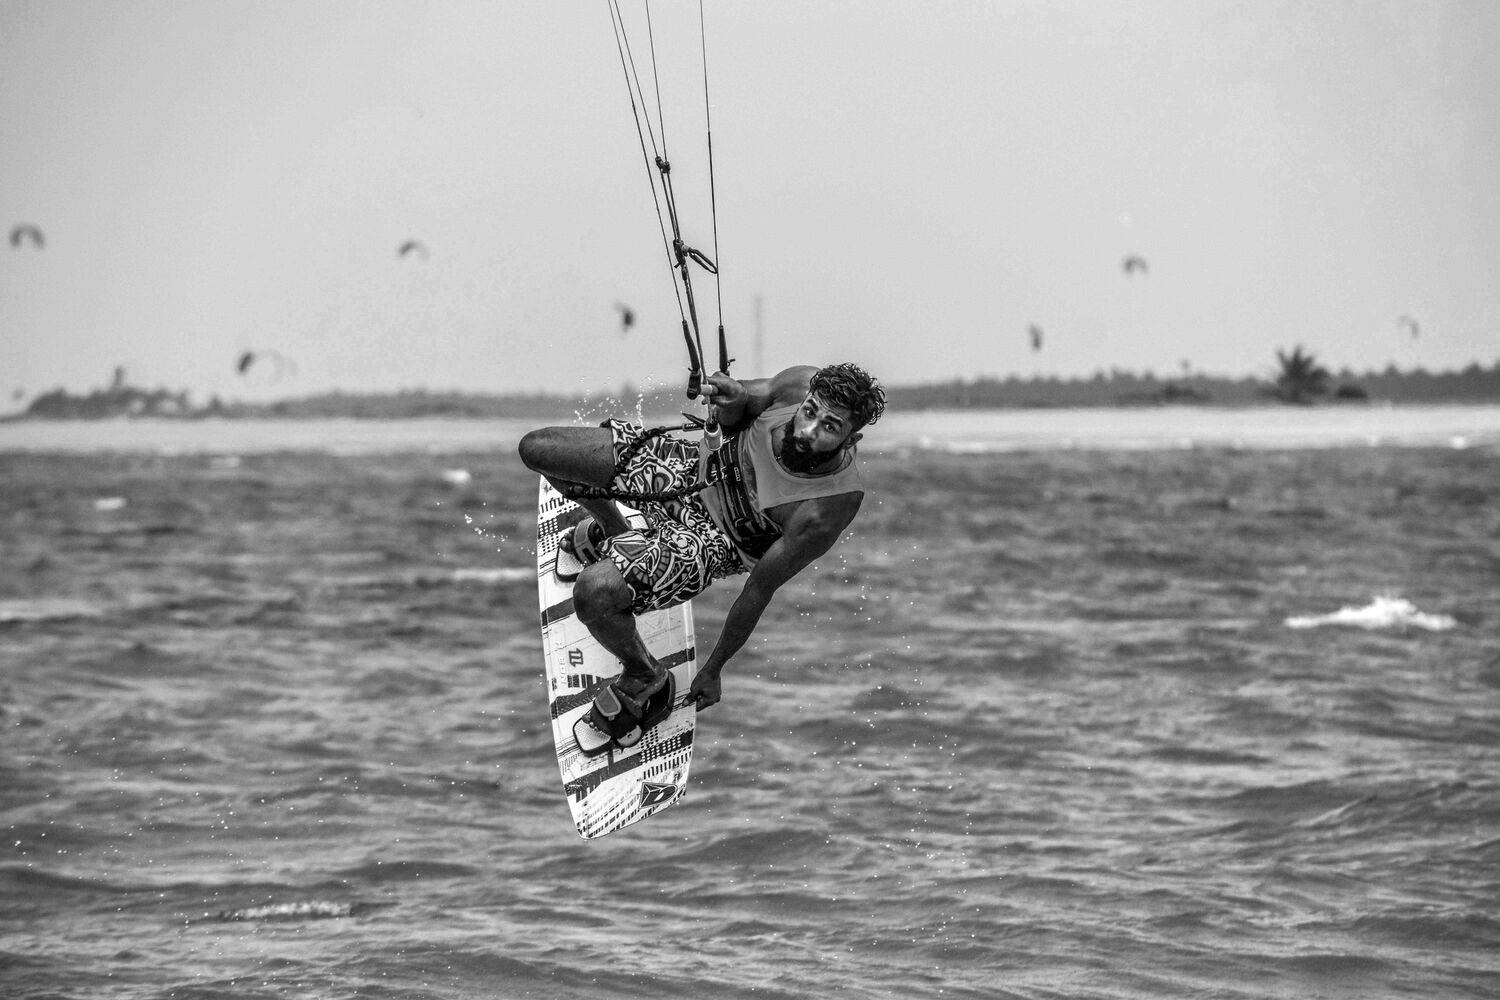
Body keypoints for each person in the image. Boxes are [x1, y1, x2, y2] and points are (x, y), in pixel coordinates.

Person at [518, 362, 885, 750]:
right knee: (539, 450)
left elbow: (759, 590)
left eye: (830, 427)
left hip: (711, 541)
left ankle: (646, 676)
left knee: (594, 593)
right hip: (690, 469)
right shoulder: (796, 385)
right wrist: (731, 396)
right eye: (810, 412)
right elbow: (738, 406)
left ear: (851, 438)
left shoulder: (829, 506)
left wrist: (714, 668)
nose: (809, 430)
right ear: (806, 397)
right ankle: (615, 531)